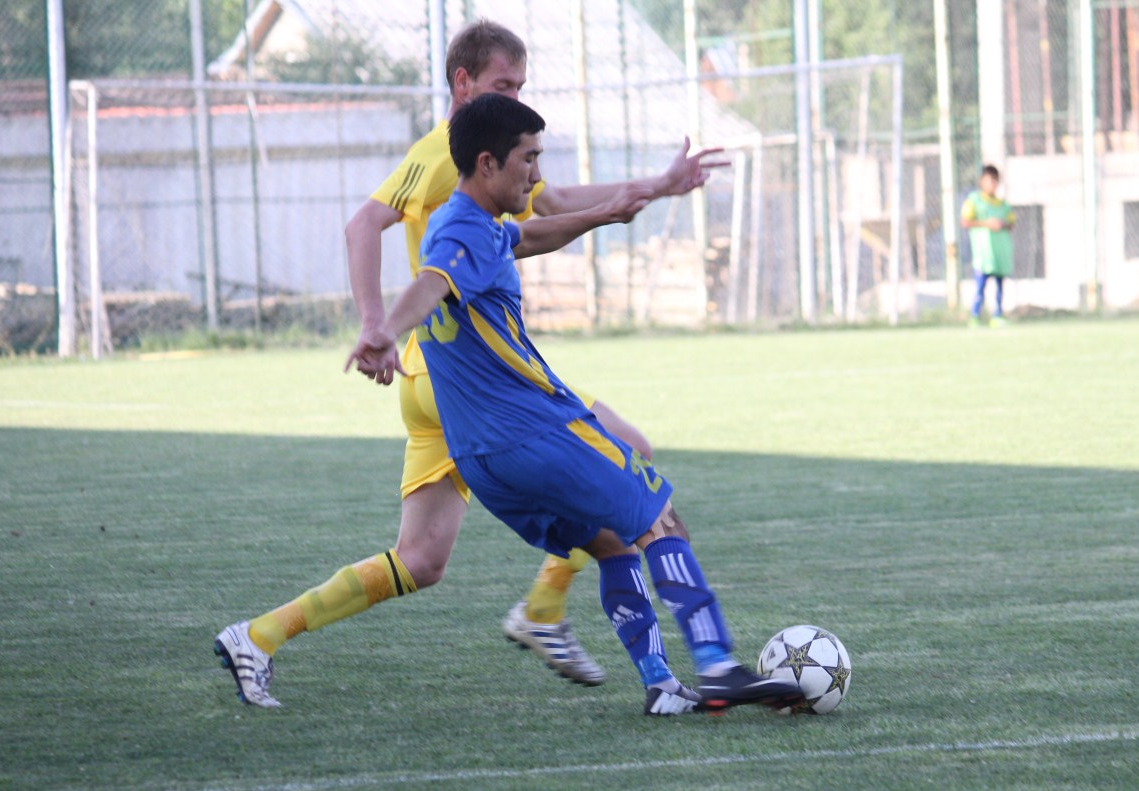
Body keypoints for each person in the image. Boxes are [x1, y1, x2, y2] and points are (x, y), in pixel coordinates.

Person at [214, 20, 724, 708]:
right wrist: (375, 325)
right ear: (464, 83)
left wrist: (652, 188)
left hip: (428, 377)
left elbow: (548, 208)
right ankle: (554, 612)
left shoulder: (494, 157)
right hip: (458, 375)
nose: (515, 97)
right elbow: (364, 225)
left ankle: (259, 635)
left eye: (520, 85)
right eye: (503, 85)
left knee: (421, 559)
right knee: (626, 454)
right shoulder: (443, 155)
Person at [347, 93, 804, 716]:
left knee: (611, 543)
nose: (537, 174)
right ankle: (718, 664)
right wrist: (381, 331)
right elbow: (429, 287)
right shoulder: (460, 233)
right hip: (537, 431)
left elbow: (529, 236)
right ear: (487, 163)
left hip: (481, 460)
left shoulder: (469, 222)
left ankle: (662, 686)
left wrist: (607, 213)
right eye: (528, 159)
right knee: (660, 518)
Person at [961, 164, 1015, 328]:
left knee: (999, 286)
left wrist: (1001, 224)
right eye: (989, 180)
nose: (992, 184)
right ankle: (975, 316)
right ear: (982, 181)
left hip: (1000, 252)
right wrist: (987, 223)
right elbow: (965, 222)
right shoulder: (974, 200)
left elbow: (1011, 223)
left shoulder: (1002, 204)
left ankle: (997, 315)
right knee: (980, 286)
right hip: (983, 253)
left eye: (995, 180)